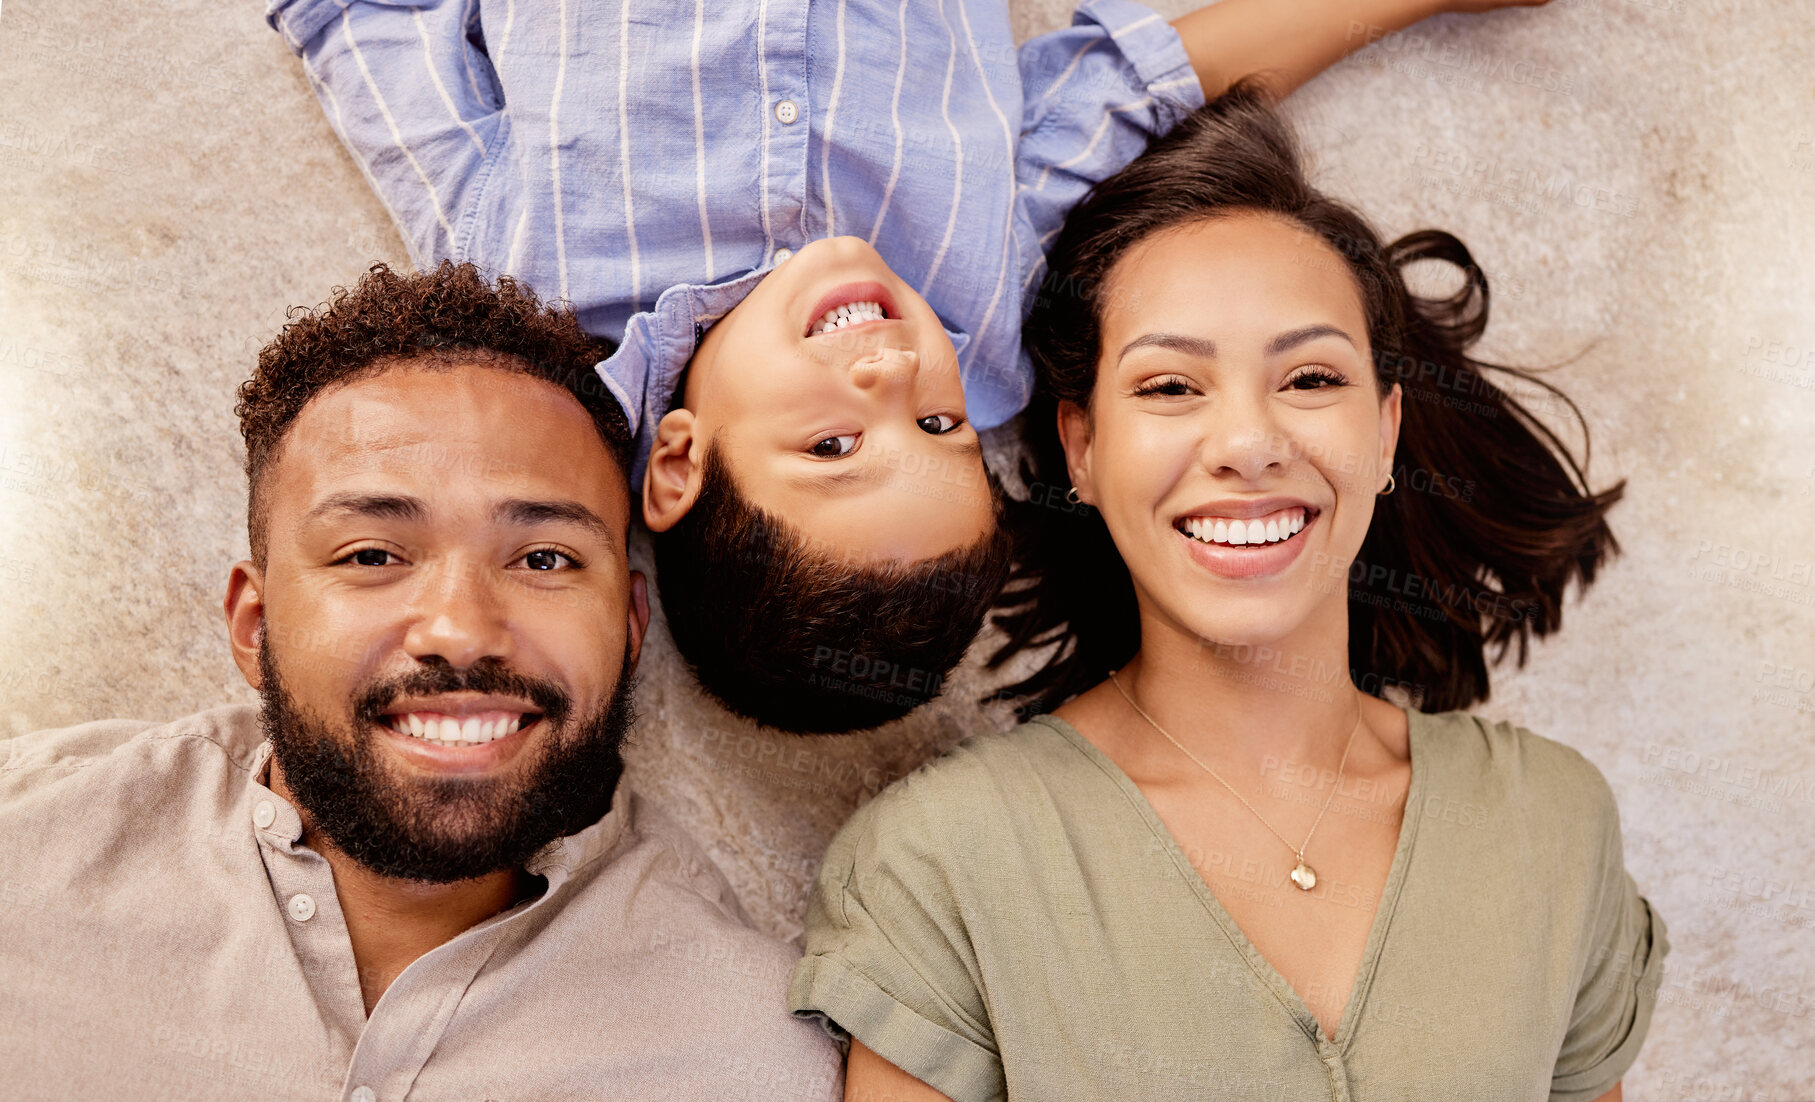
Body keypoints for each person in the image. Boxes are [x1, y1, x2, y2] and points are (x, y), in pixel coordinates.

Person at [267, 0, 1543, 733]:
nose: (889, 377)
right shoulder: (982, 309)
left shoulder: (531, 281)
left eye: (831, 448)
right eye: (938, 430)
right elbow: (1142, 84)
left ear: (674, 460)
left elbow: (364, 30)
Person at [789, 86, 1666, 1101]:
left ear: (1384, 435)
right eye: (1170, 387)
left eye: (1310, 381)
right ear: (1082, 446)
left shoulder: (1551, 825)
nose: (1249, 445)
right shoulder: (940, 865)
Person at [0, 263, 840, 1100]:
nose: (461, 630)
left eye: (543, 558)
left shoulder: (755, 1056)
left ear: (627, 627)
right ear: (254, 627)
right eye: (372, 556)